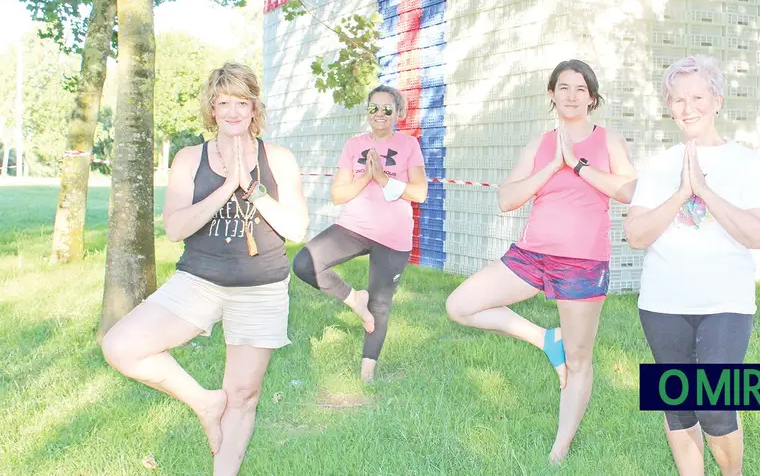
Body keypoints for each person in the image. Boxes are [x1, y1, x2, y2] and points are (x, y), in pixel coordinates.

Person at [101, 62, 309, 476]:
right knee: (121, 346)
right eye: (223, 102)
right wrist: (225, 186)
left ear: (255, 108)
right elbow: (176, 228)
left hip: (261, 287)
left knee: (244, 393)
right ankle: (204, 402)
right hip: (198, 281)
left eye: (242, 103)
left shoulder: (279, 159)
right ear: (211, 109)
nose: (233, 111)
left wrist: (251, 190)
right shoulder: (189, 158)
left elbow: (297, 229)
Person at [445, 59, 637, 463]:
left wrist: (579, 166)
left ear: (592, 98)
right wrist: (553, 165)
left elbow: (629, 191)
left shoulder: (608, 140)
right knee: (459, 305)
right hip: (532, 255)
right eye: (563, 87)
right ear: (551, 94)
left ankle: (559, 449)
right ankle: (545, 339)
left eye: (580, 89)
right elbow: (506, 198)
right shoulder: (540, 143)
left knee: (580, 359)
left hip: (582, 262)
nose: (571, 95)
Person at [624, 54, 760, 476]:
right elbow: (636, 236)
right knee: (679, 408)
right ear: (669, 107)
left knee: (716, 407)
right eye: (677, 99)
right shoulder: (659, 165)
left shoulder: (746, 161)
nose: (688, 107)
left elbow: (756, 234)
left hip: (725, 302)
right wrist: (680, 193)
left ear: (718, 101)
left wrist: (704, 191)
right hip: (663, 302)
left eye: (697, 96)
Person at [292, 85, 427, 383]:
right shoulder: (354, 144)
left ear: (398, 113)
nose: (379, 114)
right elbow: (338, 195)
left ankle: (367, 373)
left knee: (381, 302)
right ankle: (355, 300)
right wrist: (366, 176)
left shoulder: (409, 145)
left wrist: (382, 178)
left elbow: (420, 193)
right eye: (373, 108)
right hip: (354, 227)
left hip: (393, 235)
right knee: (304, 263)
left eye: (387, 109)